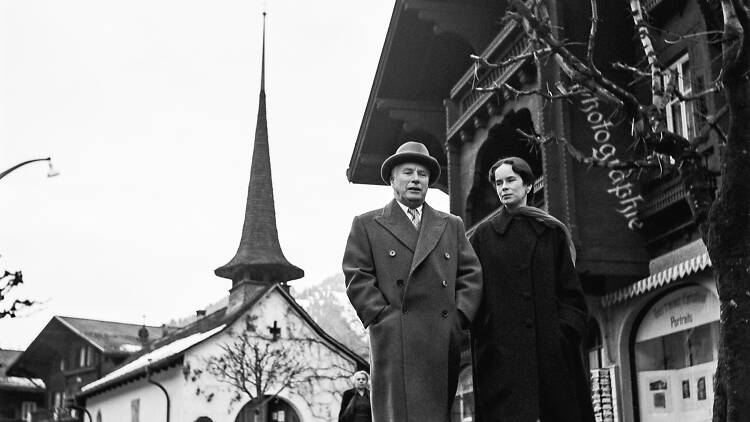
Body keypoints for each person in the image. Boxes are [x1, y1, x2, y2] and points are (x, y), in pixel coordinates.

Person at [342, 141, 482, 422]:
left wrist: (458, 318)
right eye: (408, 172)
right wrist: (382, 318)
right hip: (394, 339)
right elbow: (357, 275)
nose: (416, 179)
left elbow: (471, 274)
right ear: (392, 179)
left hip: (441, 337)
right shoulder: (367, 224)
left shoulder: (451, 224)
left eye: (422, 174)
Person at [469, 156, 595, 422]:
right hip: (501, 358)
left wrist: (563, 334)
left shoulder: (551, 232)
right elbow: (471, 294)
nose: (503, 187)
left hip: (553, 357)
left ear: (528, 185)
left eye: (511, 180)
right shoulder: (481, 237)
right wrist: (487, 334)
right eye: (498, 183)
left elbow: (572, 295)